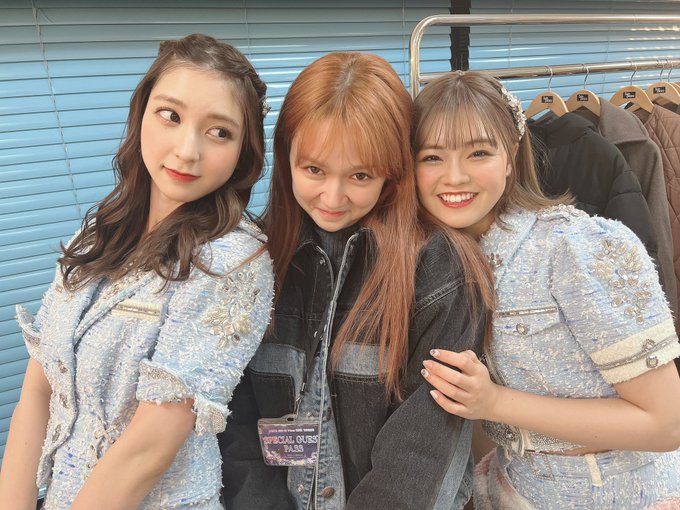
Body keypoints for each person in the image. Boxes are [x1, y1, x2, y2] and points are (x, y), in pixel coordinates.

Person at [0, 34, 274, 510]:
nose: (187, 150)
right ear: (141, 114)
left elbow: (148, 448)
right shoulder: (98, 232)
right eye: (171, 115)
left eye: (219, 132)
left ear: (242, 152)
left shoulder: (234, 261)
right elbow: (39, 388)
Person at [219, 53, 494, 510]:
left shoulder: (439, 269)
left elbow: (420, 452)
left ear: (392, 171)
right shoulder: (255, 259)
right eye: (314, 170)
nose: (332, 196)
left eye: (360, 175)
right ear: (286, 156)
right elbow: (235, 415)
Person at [414, 71, 680, 509]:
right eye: (431, 157)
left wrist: (494, 402)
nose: (454, 176)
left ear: (511, 155)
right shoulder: (438, 261)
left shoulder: (575, 247)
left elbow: (666, 423)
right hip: (512, 488)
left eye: (478, 152)